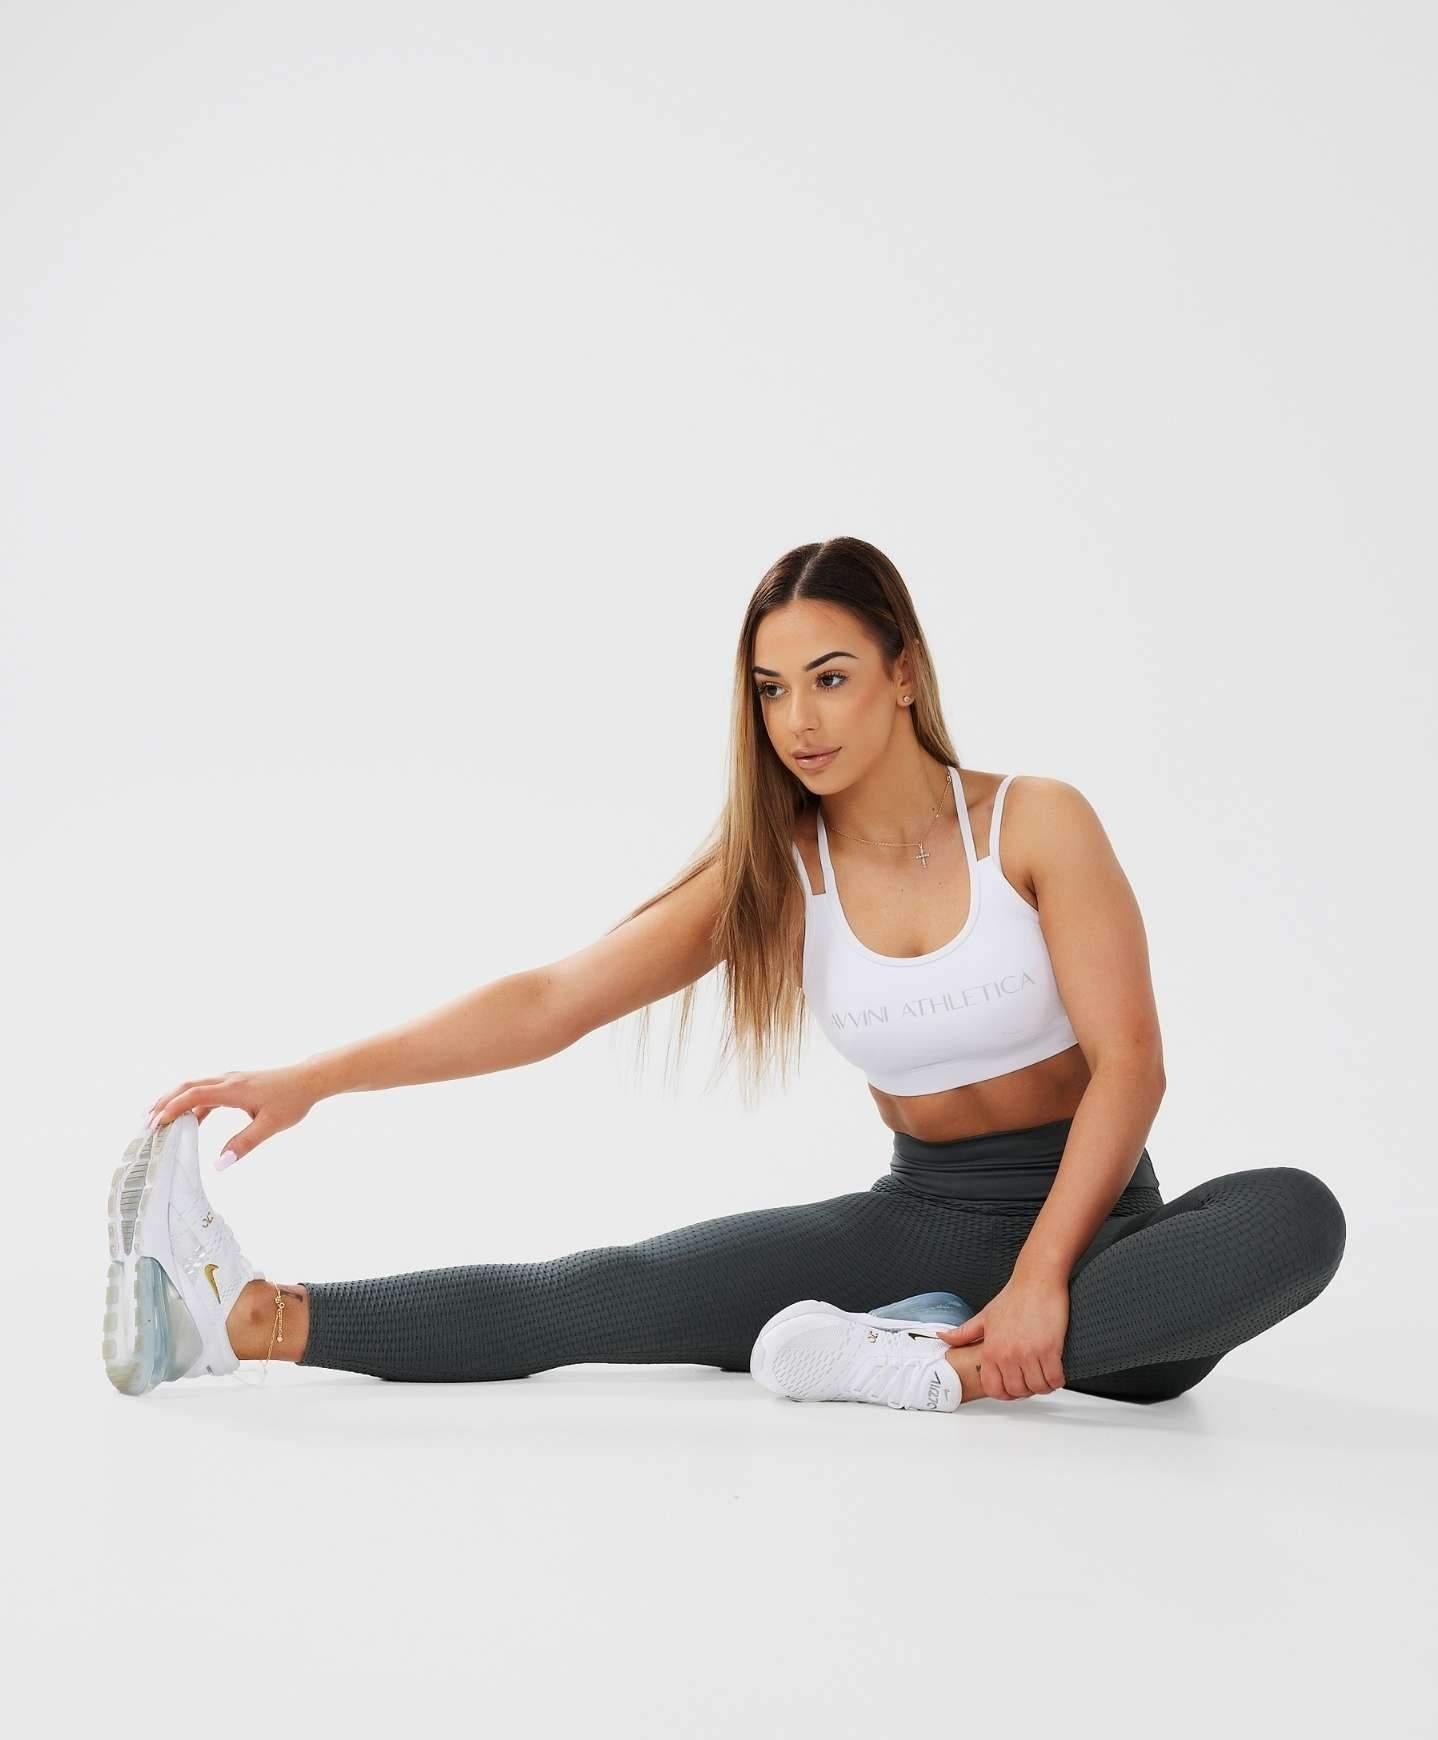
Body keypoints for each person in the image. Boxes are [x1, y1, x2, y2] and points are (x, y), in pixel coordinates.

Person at [104, 536, 1346, 1411]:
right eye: (770, 692)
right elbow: (552, 999)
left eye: (831, 677)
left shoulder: (1032, 823)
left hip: (1105, 1246)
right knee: (612, 1291)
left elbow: (1131, 1067)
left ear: (904, 670)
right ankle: (243, 1321)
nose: (799, 721)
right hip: (914, 1221)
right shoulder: (776, 869)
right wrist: (315, 1078)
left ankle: (934, 1371)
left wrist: (1035, 1288)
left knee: (1294, 1212)